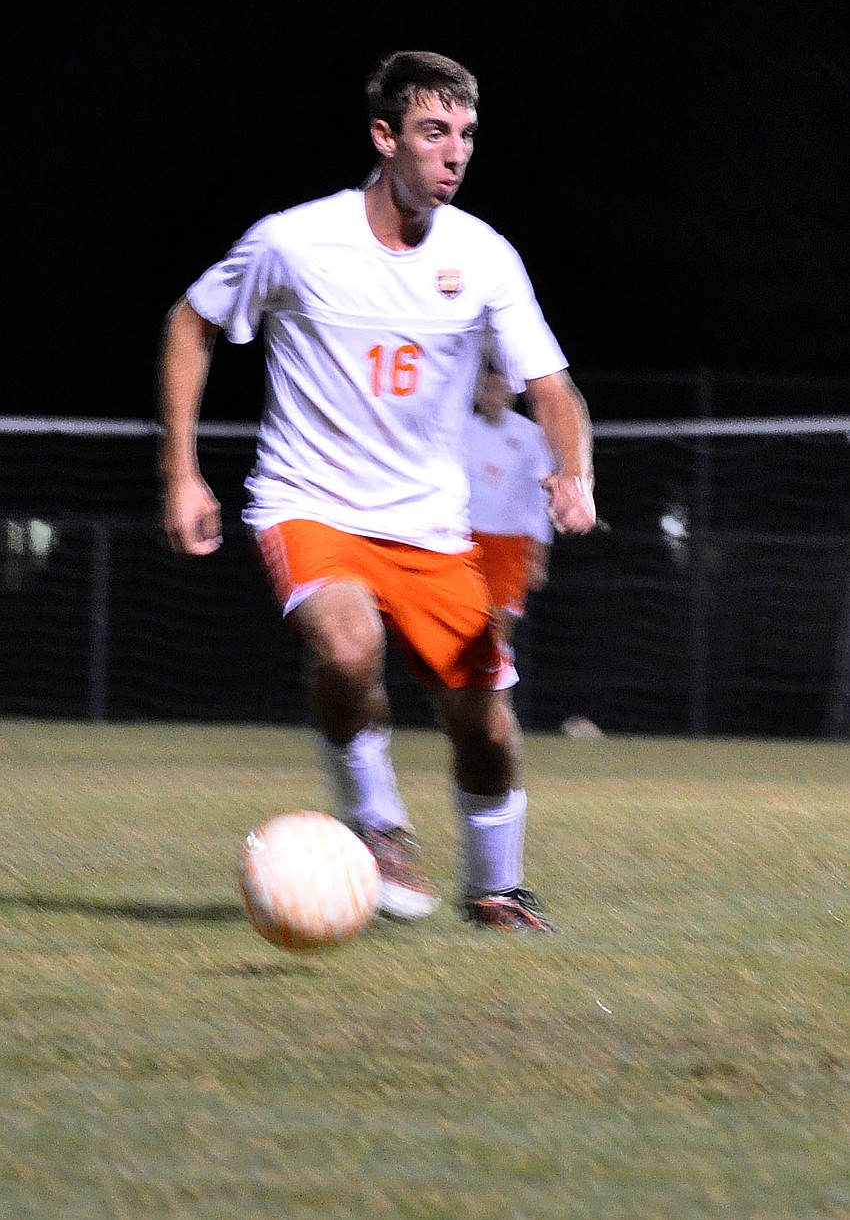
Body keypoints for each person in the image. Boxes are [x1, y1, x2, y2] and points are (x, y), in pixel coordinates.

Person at [158, 49, 596, 933]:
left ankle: (499, 889)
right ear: (384, 136)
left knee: (485, 723)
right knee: (348, 650)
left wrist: (572, 466)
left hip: (433, 528)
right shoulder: (296, 239)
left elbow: (551, 386)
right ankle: (378, 827)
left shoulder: (485, 257)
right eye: (434, 133)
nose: (455, 153)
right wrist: (181, 471)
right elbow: (192, 320)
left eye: (467, 135)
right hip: (309, 503)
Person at [466, 365, 555, 648]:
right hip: (464, 541)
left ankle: (497, 687)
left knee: (496, 637)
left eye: (499, 388)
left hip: (512, 544)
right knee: (460, 632)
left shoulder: (530, 437)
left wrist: (539, 554)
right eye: (487, 388)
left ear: (511, 392)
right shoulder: (459, 431)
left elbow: (541, 498)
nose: (493, 395)